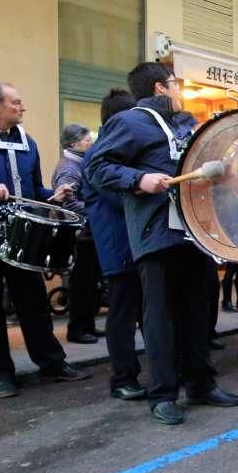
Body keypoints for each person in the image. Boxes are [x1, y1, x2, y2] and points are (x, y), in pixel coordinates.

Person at [86, 63, 238, 425]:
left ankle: (200, 382)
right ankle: (163, 393)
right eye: (175, 84)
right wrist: (139, 178)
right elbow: (95, 168)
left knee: (199, 310)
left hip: (194, 230)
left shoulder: (182, 124)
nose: (179, 90)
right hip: (156, 234)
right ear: (160, 87)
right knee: (159, 317)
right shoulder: (128, 123)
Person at [0, 82, 89, 398]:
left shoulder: (28, 143)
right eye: (16, 102)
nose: (23, 108)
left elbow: (34, 191)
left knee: (34, 305)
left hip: (25, 239)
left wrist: (54, 196)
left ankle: (51, 363)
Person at [81, 89, 147, 401]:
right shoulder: (100, 156)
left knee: (145, 311)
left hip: (134, 246)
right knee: (122, 315)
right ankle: (122, 377)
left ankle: (154, 369)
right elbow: (122, 202)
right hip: (119, 248)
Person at [52, 124, 104, 345]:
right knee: (82, 284)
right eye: (86, 140)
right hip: (80, 236)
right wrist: (97, 210)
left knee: (90, 283)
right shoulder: (70, 168)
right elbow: (69, 203)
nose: (90, 143)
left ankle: (87, 326)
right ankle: (78, 329)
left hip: (87, 234)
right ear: (73, 144)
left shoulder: (78, 163)